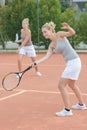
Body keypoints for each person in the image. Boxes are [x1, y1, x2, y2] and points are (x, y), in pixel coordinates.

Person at [32, 21, 87, 116]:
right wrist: (36, 62)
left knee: (61, 85)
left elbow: (72, 33)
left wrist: (68, 27)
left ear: (50, 30)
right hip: (73, 62)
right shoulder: (51, 45)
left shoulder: (59, 35)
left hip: (74, 62)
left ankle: (67, 110)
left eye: (45, 31)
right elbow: (46, 57)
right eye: (43, 32)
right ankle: (81, 105)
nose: (44, 34)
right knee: (72, 85)